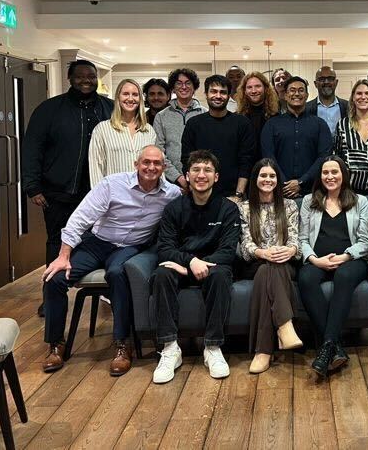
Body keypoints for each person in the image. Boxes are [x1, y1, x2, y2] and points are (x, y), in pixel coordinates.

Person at [41, 146, 180, 376]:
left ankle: (122, 345)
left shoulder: (171, 194)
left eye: (157, 163)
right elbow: (81, 217)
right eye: (146, 162)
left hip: (131, 246)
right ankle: (56, 344)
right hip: (98, 242)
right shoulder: (112, 184)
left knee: (117, 274)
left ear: (164, 168)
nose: (151, 167)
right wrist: (63, 255)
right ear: (136, 164)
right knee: (55, 278)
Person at [22, 60, 114, 316]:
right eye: (80, 76)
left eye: (91, 76)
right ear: (69, 78)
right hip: (59, 191)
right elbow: (32, 148)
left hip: (98, 193)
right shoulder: (49, 110)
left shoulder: (109, 108)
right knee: (57, 242)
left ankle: (108, 291)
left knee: (103, 240)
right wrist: (32, 185)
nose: (86, 80)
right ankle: (50, 297)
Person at [151, 150, 240, 382]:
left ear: (216, 177)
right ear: (187, 176)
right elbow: (165, 248)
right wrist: (190, 262)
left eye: (208, 170)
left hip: (213, 267)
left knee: (221, 275)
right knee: (162, 274)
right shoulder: (173, 209)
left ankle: (212, 348)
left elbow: (228, 251)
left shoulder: (228, 209)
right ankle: (170, 349)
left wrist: (196, 265)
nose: (202, 175)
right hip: (182, 265)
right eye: (196, 170)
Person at [298, 156, 368, 378]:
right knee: (305, 279)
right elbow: (301, 239)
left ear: (343, 175)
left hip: (352, 260)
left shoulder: (360, 201)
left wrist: (345, 257)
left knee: (344, 277)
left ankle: (326, 345)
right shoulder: (309, 201)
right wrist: (314, 259)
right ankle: (335, 346)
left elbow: (365, 241)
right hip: (318, 260)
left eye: (334, 172)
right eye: (325, 173)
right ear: (319, 177)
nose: (330, 177)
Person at [238, 159, 302, 374]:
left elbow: (295, 237)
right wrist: (262, 252)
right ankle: (285, 326)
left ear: (278, 179)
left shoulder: (290, 205)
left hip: (284, 263)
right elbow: (245, 242)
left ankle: (263, 351)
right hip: (256, 262)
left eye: (272, 176)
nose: (267, 180)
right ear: (255, 179)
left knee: (271, 269)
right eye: (263, 176)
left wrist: (290, 250)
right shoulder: (245, 208)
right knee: (266, 268)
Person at [180, 75, 255, 201]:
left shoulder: (242, 123)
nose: (218, 96)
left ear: (229, 95)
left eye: (223, 92)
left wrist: (238, 195)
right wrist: (195, 192)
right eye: (213, 91)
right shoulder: (194, 124)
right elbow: (187, 160)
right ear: (206, 94)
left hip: (233, 196)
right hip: (200, 195)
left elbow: (246, 162)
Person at [261, 76, 333, 198]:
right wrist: (285, 183)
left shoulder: (320, 124)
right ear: (285, 95)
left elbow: (324, 157)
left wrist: (302, 181)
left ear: (306, 95)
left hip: (313, 192)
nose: (297, 94)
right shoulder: (271, 124)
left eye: (301, 90)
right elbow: (268, 156)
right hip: (279, 191)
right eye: (292, 90)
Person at [89, 78, 157, 188]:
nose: (130, 99)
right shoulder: (102, 129)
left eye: (135, 94)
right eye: (125, 94)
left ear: (140, 99)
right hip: (114, 196)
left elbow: (156, 166)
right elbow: (96, 168)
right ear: (118, 98)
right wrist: (100, 198)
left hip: (144, 195)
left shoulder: (149, 131)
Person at [154, 68, 205, 192]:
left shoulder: (205, 113)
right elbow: (159, 151)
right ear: (173, 88)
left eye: (188, 83)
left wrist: (195, 178)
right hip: (170, 183)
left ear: (194, 87)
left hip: (201, 180)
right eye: (179, 83)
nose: (184, 87)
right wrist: (179, 178)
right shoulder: (161, 116)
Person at [236, 71, 280, 163]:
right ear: (244, 91)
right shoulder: (237, 118)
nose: (253, 91)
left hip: (270, 168)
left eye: (258, 86)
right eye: (249, 87)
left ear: (265, 88)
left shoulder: (276, 117)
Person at [306, 65, 349, 135]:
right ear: (315, 84)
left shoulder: (348, 106)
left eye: (330, 79)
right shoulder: (306, 108)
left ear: (336, 82)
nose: (326, 82)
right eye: (322, 79)